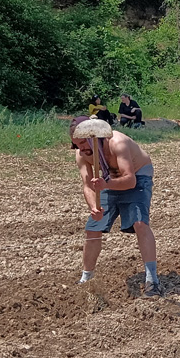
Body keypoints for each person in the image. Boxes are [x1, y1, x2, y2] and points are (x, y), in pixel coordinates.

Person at [69, 116, 161, 296]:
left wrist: (106, 185)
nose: (81, 149)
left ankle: (152, 280)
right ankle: (86, 278)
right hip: (108, 180)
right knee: (92, 228)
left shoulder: (118, 143)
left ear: (93, 137)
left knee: (140, 223)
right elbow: (87, 184)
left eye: (82, 143)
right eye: (76, 145)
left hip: (137, 176)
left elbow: (130, 180)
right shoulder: (81, 154)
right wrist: (93, 207)